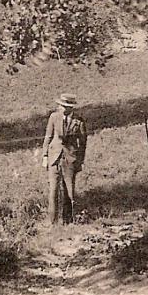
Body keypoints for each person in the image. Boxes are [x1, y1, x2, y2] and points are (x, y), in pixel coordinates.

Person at [41, 93, 88, 225]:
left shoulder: (79, 121)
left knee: (69, 192)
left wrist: (79, 161)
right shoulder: (54, 117)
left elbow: (83, 143)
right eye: (62, 106)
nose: (63, 109)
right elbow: (48, 137)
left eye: (67, 106)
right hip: (54, 158)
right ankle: (52, 222)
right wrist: (45, 156)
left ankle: (68, 221)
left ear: (72, 107)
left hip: (70, 159)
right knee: (53, 191)